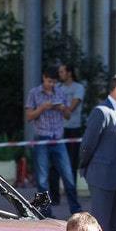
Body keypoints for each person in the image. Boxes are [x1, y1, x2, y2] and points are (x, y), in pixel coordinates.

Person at [79, 74, 116, 231]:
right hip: (101, 176)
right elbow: (87, 144)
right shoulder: (101, 112)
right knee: (101, 224)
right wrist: (84, 167)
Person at [25, 66, 81, 217]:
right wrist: (42, 108)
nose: (51, 85)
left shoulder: (60, 92)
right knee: (42, 179)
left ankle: (76, 210)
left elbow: (68, 116)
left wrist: (63, 109)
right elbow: (29, 116)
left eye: (54, 82)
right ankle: (44, 211)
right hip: (42, 139)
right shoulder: (34, 93)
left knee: (68, 176)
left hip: (58, 139)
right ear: (43, 78)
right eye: (49, 81)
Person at [50, 63, 85, 201]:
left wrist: (59, 106)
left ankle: (71, 196)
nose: (60, 75)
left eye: (62, 72)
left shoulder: (78, 88)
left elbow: (71, 109)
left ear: (69, 73)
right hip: (57, 129)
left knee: (71, 162)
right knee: (53, 163)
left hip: (73, 129)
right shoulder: (57, 87)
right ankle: (54, 196)